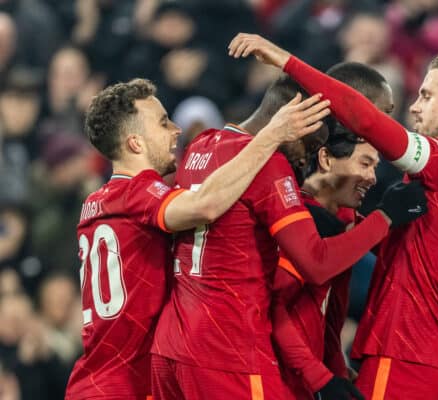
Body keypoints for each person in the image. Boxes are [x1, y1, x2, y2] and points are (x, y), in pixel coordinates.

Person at [229, 34, 438, 399]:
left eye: (425, 95)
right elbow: (415, 252)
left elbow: (365, 119)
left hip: (406, 351)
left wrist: (285, 59)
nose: (415, 108)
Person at [150, 76, 423, 400]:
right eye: (310, 143)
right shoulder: (269, 163)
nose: (305, 159)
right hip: (227, 349)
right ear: (294, 117)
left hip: (171, 345)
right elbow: (316, 262)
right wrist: (385, 217)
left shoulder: (202, 144)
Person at [65, 78, 332, 399]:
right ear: (135, 143)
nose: (176, 130)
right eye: (163, 122)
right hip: (125, 385)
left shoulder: (98, 201)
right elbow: (205, 204)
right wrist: (270, 136)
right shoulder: (137, 193)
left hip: (97, 380)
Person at [272, 62, 426, 400]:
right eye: (365, 163)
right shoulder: (297, 220)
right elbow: (270, 311)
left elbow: (329, 322)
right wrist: (321, 379)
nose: (372, 177)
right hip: (276, 383)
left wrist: (336, 374)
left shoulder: (339, 223)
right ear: (325, 159)